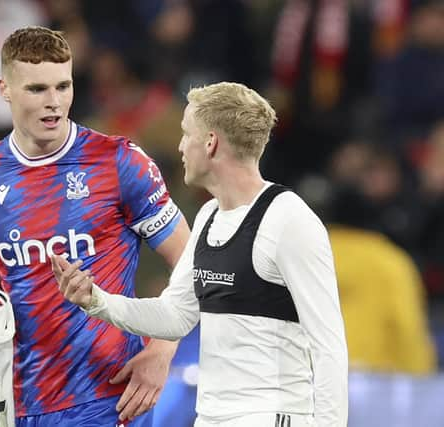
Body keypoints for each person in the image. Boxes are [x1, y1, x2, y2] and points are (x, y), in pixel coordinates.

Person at [54, 82, 349, 427]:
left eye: (186, 134)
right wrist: (96, 300)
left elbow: (328, 343)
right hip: (211, 418)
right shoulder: (209, 217)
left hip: (272, 416)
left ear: (210, 143)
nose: (180, 146)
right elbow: (174, 315)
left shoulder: (289, 220)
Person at [0, 26, 190, 426]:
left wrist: (162, 351)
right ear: (5, 89)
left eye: (63, 86)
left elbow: (192, 263)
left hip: (112, 399)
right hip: (19, 403)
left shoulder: (120, 163)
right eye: (37, 89)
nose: (54, 102)